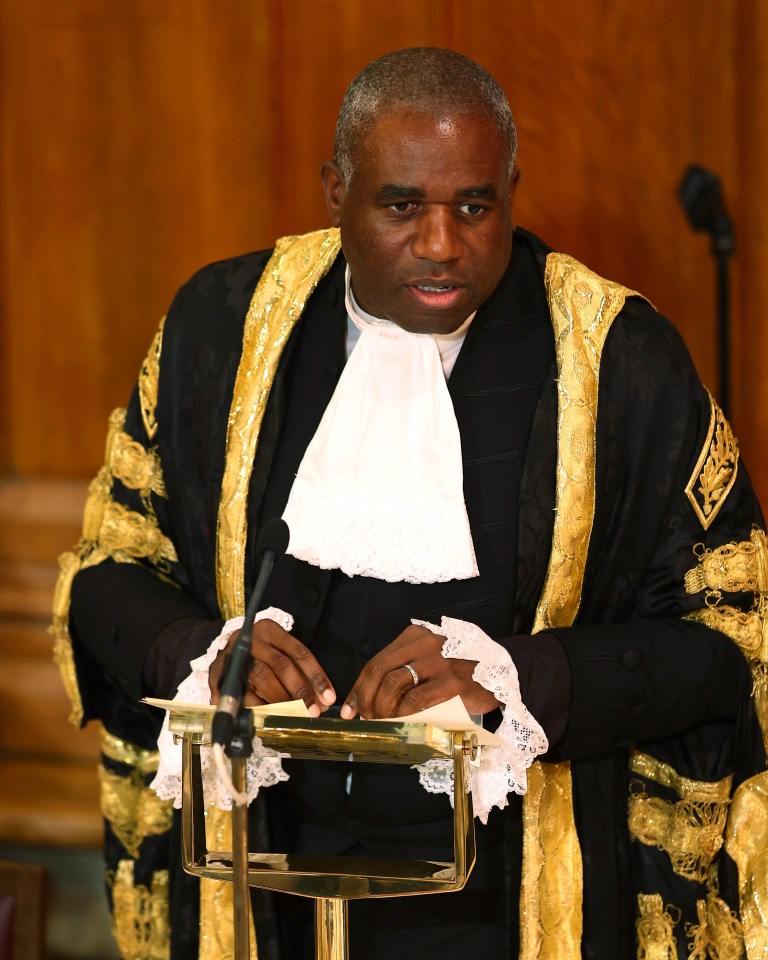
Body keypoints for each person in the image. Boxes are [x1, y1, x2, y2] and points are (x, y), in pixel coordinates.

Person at [52, 47, 768, 960]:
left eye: (475, 206)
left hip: (513, 898)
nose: (441, 244)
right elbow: (109, 575)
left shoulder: (619, 360)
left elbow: (730, 641)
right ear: (334, 191)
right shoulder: (220, 329)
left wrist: (518, 678)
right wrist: (204, 653)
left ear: (512, 190)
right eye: (401, 207)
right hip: (263, 879)